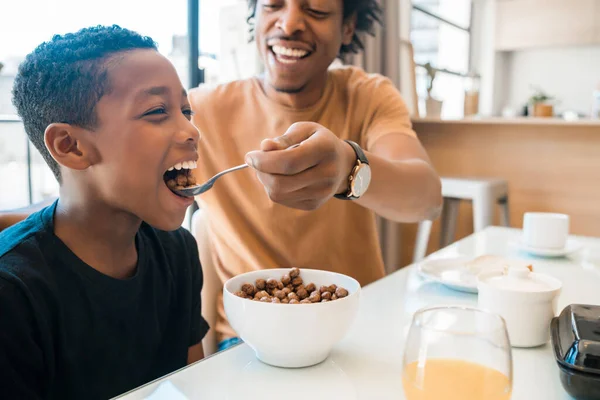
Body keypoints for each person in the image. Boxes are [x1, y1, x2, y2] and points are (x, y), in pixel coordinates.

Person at [189, 0, 442, 351]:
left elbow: (426, 198)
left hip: (356, 327)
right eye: (273, 5)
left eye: (318, 10)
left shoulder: (368, 96)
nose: (289, 23)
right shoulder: (200, 113)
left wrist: (348, 169)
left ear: (348, 27)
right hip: (249, 338)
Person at [0, 25, 209, 399]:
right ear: (71, 146)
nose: (191, 129)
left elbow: (191, 385)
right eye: (158, 110)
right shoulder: (13, 295)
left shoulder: (178, 251)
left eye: (186, 109)